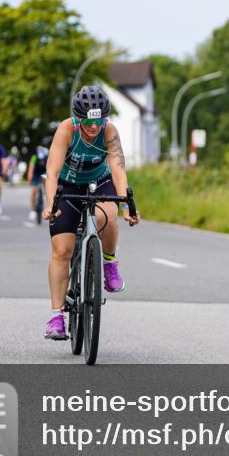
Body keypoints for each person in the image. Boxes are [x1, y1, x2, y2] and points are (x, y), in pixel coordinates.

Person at [41, 85, 139, 340]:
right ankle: (56, 317)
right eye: (88, 122)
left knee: (107, 213)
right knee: (62, 250)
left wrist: (127, 206)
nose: (94, 127)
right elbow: (51, 172)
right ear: (78, 118)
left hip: (99, 181)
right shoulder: (67, 129)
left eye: (99, 121)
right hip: (67, 185)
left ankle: (108, 263)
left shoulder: (109, 131)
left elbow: (118, 169)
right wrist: (50, 203)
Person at [26, 145, 49, 222]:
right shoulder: (34, 157)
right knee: (34, 191)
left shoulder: (47, 157)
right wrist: (29, 178)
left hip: (43, 172)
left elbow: (50, 169)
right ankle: (33, 210)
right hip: (36, 173)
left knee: (46, 181)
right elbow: (31, 169)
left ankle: (46, 202)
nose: (41, 161)